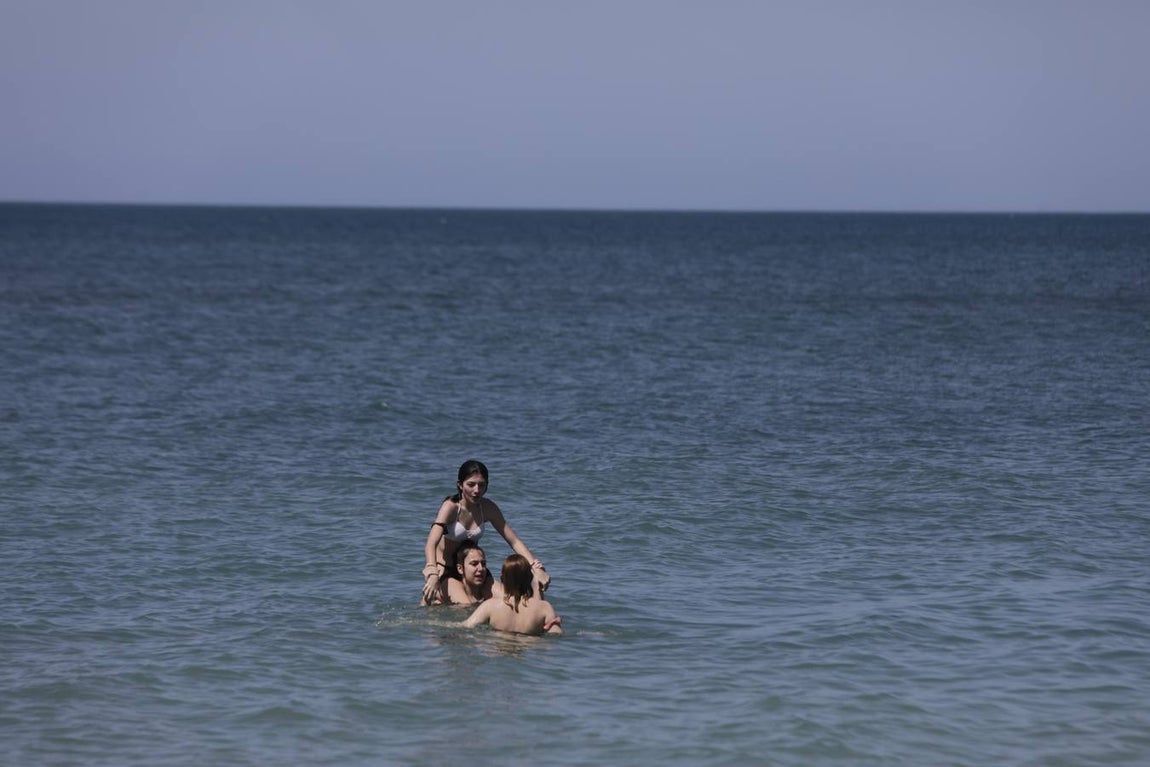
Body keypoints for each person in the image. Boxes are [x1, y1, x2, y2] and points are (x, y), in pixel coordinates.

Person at [421, 460, 550, 604]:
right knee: (467, 607)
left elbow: (514, 541)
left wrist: (536, 567)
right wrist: (432, 572)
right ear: (460, 485)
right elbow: (431, 543)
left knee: (511, 602)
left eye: (481, 485)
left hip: (475, 571)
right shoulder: (450, 507)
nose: (477, 490)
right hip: (446, 572)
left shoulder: (488, 508)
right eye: (471, 484)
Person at [463, 554, 564, 636]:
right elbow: (556, 634)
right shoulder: (544, 607)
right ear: (529, 578)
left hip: (498, 647)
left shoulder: (490, 606)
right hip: (530, 649)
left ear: (502, 579)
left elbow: (466, 626)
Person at [422, 542, 493, 606]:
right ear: (460, 569)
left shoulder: (488, 593)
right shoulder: (450, 587)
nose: (481, 568)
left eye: (483, 564)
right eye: (474, 564)